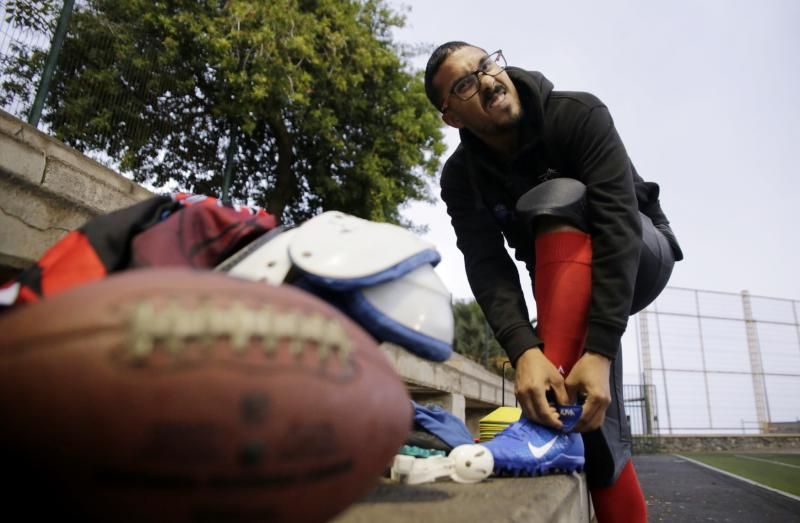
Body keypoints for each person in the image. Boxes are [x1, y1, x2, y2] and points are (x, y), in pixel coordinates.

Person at [424, 42, 683, 523]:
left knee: (560, 197)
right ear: (451, 117)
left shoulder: (575, 113)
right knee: (590, 422)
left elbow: (619, 225)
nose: (485, 80)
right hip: (560, 274)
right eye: (464, 84)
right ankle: (564, 435)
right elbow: (487, 264)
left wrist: (601, 349)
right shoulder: (461, 177)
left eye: (486, 65)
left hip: (638, 251)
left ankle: (542, 429)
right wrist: (526, 351)